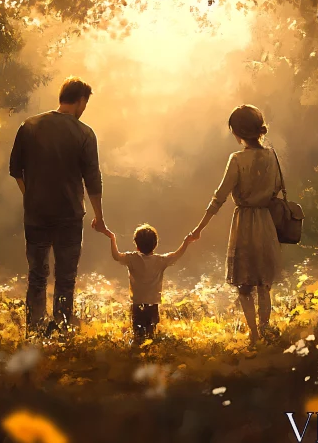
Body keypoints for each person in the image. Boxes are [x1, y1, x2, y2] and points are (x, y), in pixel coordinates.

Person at [9, 76, 107, 335]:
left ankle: (34, 328)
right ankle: (62, 329)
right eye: (85, 103)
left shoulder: (28, 126)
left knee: (37, 275)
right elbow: (93, 180)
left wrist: (29, 195)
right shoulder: (84, 133)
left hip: (36, 215)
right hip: (70, 215)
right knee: (65, 277)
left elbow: (15, 170)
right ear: (80, 101)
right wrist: (99, 216)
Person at [187, 105, 282, 347]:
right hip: (265, 222)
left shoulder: (237, 159)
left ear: (237, 132)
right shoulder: (272, 155)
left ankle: (254, 334)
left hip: (244, 225)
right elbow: (278, 187)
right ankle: (265, 328)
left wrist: (199, 228)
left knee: (245, 285)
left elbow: (219, 197)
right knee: (264, 284)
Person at [101, 224, 191, 345]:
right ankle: (150, 356)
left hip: (137, 304)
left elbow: (116, 256)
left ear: (137, 245)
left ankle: (137, 355)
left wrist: (112, 238)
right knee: (150, 336)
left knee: (138, 335)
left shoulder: (132, 258)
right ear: (155, 244)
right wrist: (186, 242)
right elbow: (176, 255)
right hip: (153, 305)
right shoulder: (160, 260)